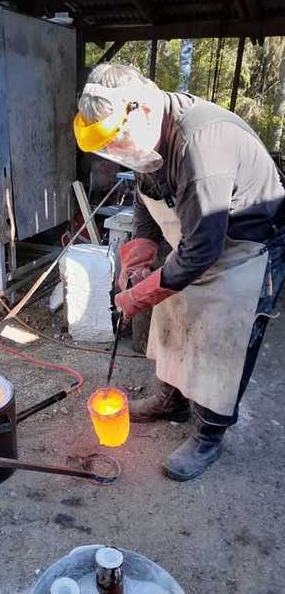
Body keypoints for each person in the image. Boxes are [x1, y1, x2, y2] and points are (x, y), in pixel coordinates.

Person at [74, 63, 285, 481]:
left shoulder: (201, 145)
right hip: (199, 242)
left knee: (222, 340)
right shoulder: (147, 140)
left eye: (117, 143)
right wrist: (137, 261)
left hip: (248, 247)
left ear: (141, 111)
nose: (117, 153)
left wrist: (139, 295)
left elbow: (203, 249)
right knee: (174, 313)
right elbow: (145, 201)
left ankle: (210, 434)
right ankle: (171, 400)